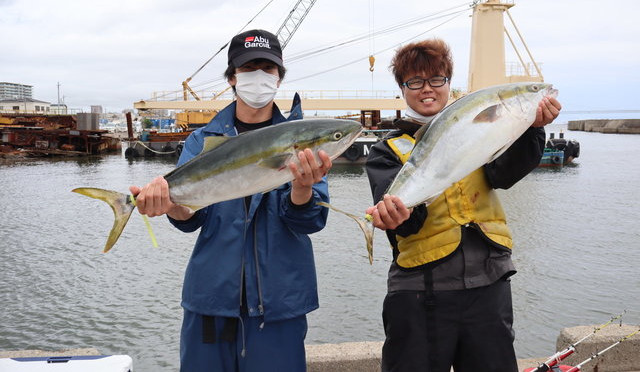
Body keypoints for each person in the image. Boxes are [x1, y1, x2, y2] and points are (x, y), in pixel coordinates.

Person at [130, 29, 333, 372]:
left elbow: (310, 221)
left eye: (268, 69)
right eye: (249, 68)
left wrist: (301, 190)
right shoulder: (203, 139)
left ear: (279, 78)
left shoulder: (300, 140)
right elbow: (190, 218)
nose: (259, 77)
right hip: (211, 299)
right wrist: (169, 204)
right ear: (231, 78)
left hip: (279, 302)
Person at [365, 38, 561, 372]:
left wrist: (533, 131)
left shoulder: (477, 131)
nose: (427, 89)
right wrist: (396, 215)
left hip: (488, 283)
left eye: (436, 79)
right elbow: (407, 224)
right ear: (402, 88)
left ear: (448, 83)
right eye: (415, 81)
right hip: (419, 291)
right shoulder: (386, 151)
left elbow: (504, 174)